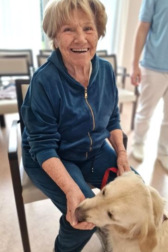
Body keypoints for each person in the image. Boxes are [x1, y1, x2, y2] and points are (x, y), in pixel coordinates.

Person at [21, 0, 131, 251]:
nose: (81, 39)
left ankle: (111, 235)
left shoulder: (105, 70)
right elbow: (44, 146)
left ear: (98, 32)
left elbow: (112, 118)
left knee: (134, 191)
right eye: (68, 29)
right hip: (52, 156)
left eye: (88, 28)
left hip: (93, 150)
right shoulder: (44, 81)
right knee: (84, 215)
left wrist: (121, 154)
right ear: (55, 38)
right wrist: (71, 189)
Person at [130, 0, 168, 174]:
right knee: (145, 112)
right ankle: (138, 143)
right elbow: (143, 27)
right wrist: (135, 64)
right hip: (153, 66)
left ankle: (164, 152)